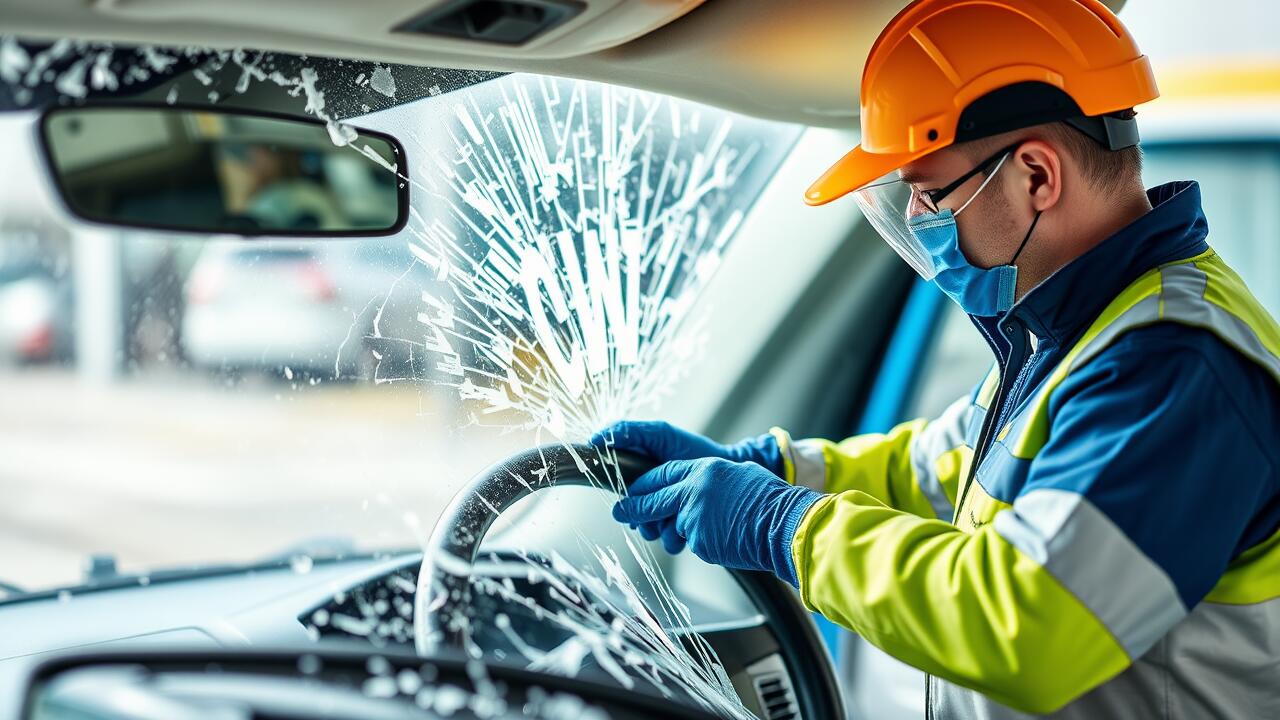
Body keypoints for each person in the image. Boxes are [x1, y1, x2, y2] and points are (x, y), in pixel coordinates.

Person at [592, 0, 1280, 717]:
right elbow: (932, 469)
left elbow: (1025, 625)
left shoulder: (1173, 369)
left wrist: (780, 523)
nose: (919, 222)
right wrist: (773, 469)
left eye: (927, 192)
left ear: (1037, 177)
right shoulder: (1074, 331)